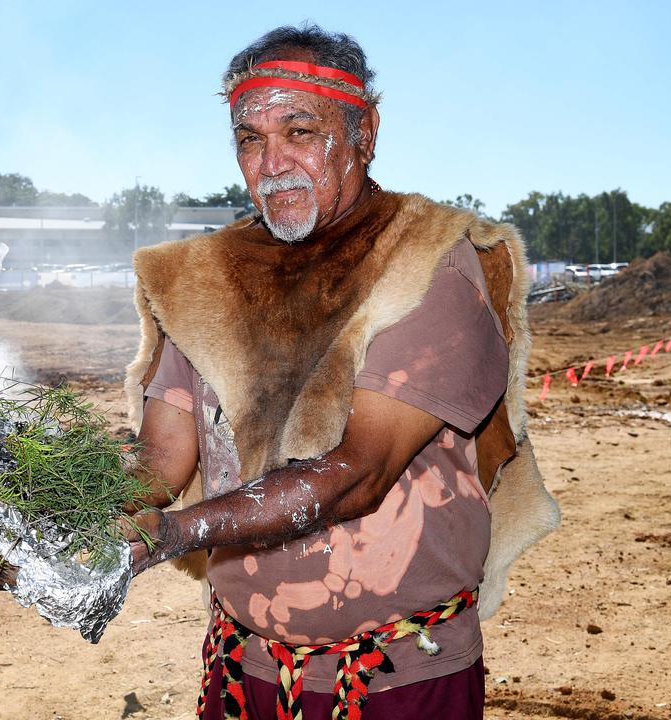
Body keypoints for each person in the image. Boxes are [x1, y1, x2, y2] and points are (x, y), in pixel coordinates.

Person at [120, 25, 559, 720]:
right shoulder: (202, 278)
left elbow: (358, 473)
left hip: (398, 682)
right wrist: (51, 492)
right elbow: (159, 460)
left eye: (299, 131)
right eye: (250, 140)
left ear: (364, 132)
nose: (273, 164)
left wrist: (174, 533)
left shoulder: (427, 264)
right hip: (243, 673)